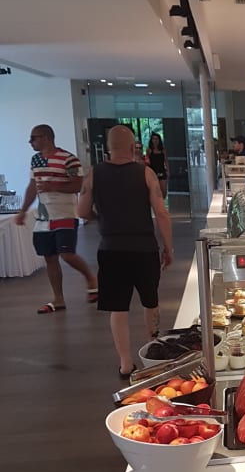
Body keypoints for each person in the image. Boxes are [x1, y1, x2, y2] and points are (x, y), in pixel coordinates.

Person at [77, 125, 173, 379]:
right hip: (144, 248)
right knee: (150, 301)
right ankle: (152, 354)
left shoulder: (94, 174)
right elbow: (161, 213)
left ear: (108, 148)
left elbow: (82, 211)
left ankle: (126, 364)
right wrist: (168, 247)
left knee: (118, 308)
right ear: (133, 147)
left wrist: (102, 217)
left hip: (111, 249)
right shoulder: (146, 173)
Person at [14, 124, 98, 313]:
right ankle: (58, 299)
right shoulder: (35, 160)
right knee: (50, 257)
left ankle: (91, 278)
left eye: (33, 138)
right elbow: (32, 187)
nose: (30, 142)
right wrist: (23, 211)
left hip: (65, 213)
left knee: (67, 254)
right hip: (44, 217)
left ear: (46, 137)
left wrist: (53, 186)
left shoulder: (69, 159)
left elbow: (77, 186)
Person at [145, 132, 169, 198]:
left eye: (156, 139)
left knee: (164, 192)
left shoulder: (163, 150)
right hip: (153, 171)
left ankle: (161, 202)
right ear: (151, 140)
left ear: (159, 140)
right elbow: (146, 160)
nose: (155, 140)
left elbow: (166, 161)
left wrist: (168, 170)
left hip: (161, 171)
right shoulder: (149, 150)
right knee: (154, 190)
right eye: (154, 139)